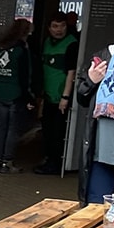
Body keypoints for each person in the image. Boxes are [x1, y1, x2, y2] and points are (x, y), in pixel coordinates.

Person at [76, 4, 114, 204]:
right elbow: (82, 99)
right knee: (95, 216)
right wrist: (90, 81)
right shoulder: (107, 55)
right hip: (103, 155)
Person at [34, 11, 78, 175]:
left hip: (61, 97)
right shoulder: (46, 42)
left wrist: (65, 97)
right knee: (47, 130)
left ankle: (55, 164)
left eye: (62, 26)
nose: (59, 30)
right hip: (48, 95)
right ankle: (48, 159)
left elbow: (71, 73)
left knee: (58, 132)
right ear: (49, 28)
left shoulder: (72, 44)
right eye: (55, 26)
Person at [0, 18, 34, 173]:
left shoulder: (0, 47)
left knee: (2, 126)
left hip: (0, 91)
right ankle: (7, 161)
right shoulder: (21, 50)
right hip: (15, 93)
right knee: (12, 129)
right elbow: (24, 76)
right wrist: (29, 96)